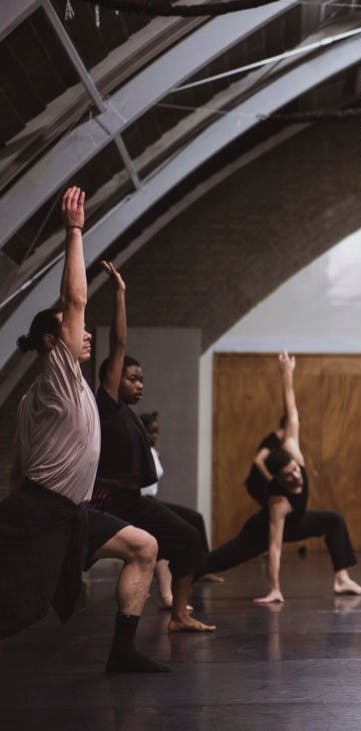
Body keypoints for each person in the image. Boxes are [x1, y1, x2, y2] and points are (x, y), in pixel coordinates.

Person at [0, 187, 167, 672]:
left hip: (70, 511)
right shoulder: (57, 373)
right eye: (76, 329)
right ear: (54, 341)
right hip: (43, 511)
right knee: (19, 608)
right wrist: (74, 230)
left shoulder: (43, 397)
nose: (86, 333)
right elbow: (74, 298)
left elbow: (16, 467)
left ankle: (123, 653)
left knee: (144, 546)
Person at [88, 263, 213, 633]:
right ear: (113, 378)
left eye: (142, 379)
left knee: (189, 536)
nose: (140, 384)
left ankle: (179, 615)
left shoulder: (128, 414)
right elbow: (118, 344)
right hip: (109, 501)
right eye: (132, 378)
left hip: (135, 501)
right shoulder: (107, 405)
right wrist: (121, 294)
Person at [201, 351, 361, 602]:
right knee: (220, 560)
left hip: (298, 520)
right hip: (260, 531)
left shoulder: (294, 451)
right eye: (288, 476)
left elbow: (291, 410)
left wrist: (287, 374)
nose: (296, 476)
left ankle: (341, 578)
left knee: (334, 521)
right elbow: (275, 547)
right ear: (278, 481)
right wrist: (275, 589)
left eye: (295, 470)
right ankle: (179, 572)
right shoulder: (278, 502)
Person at [139, 410, 220, 609]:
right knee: (170, 537)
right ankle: (167, 595)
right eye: (151, 431)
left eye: (156, 431)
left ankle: (203, 566)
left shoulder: (153, 451)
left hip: (153, 500)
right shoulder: (139, 450)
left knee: (194, 518)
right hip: (140, 502)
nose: (154, 435)